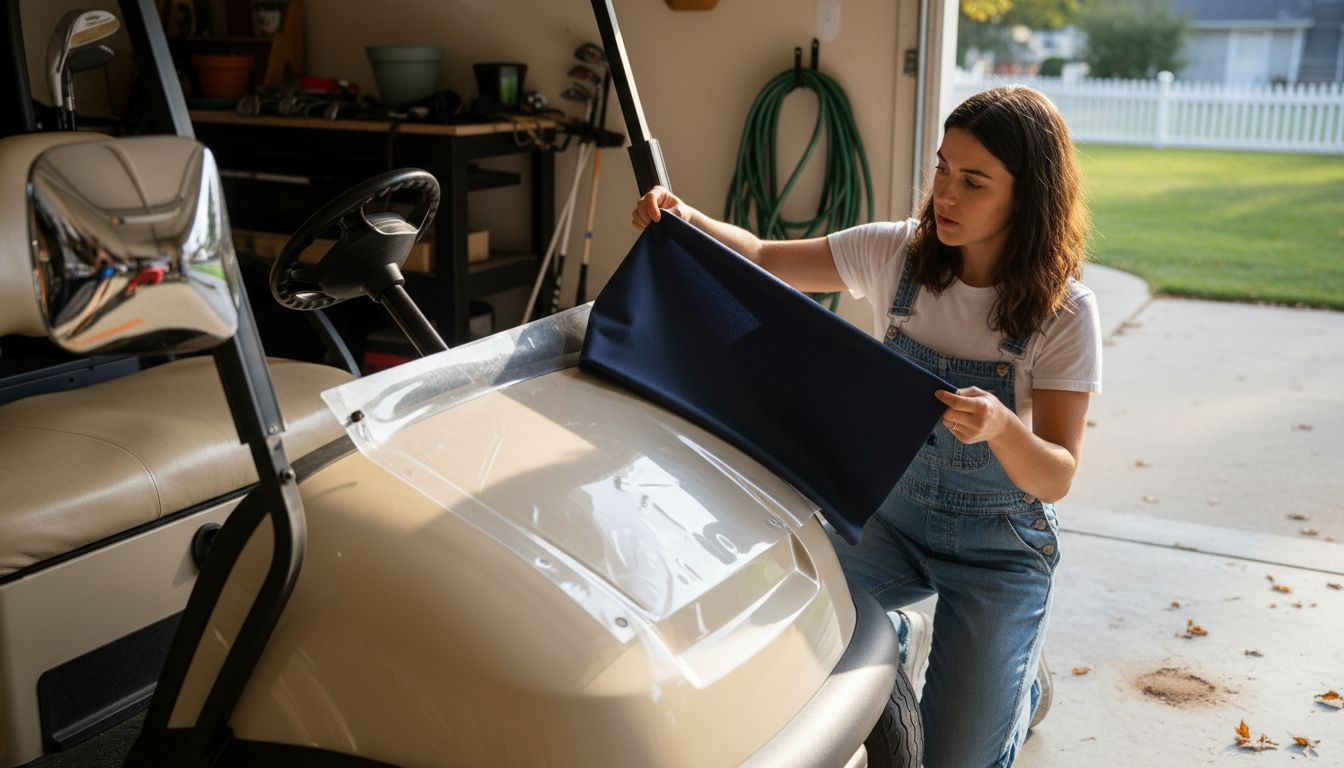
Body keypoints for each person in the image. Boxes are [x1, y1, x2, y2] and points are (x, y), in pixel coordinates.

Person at [631, 85, 1100, 768]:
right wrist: (684, 219)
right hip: (888, 520)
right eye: (942, 168)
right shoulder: (898, 255)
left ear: (1028, 197)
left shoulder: (1064, 313)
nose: (946, 194)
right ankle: (913, 641)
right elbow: (763, 258)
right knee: (798, 657)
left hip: (999, 548)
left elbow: (1057, 473)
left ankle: (1017, 689)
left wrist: (1002, 427)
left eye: (974, 181)